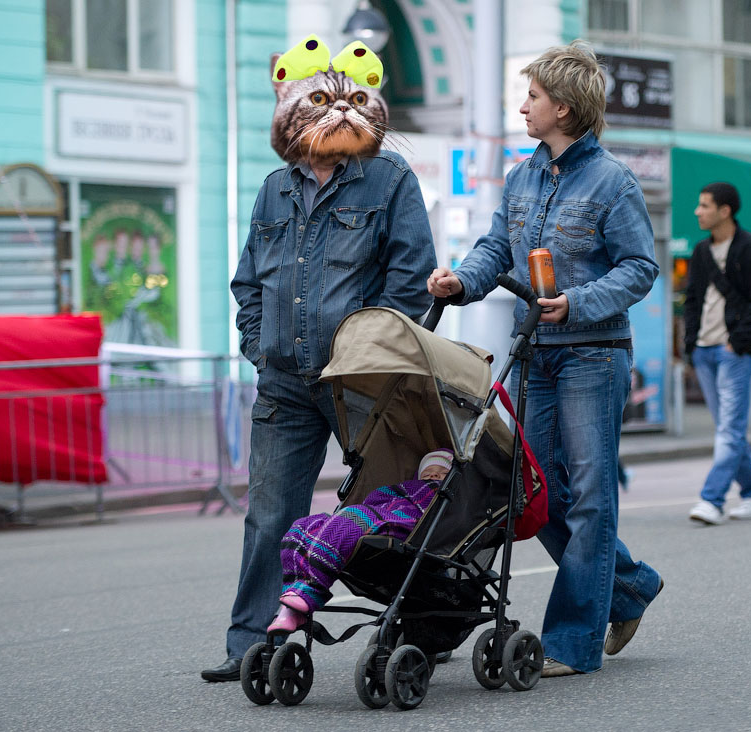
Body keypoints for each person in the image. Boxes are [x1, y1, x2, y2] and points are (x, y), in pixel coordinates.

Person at [201, 35, 436, 682]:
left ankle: (420, 627)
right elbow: (249, 282)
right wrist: (257, 347)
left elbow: (409, 278)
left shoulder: (390, 181)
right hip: (284, 382)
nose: (336, 113)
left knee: (392, 508)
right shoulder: (275, 189)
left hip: (361, 383)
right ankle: (253, 641)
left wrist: (375, 354)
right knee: (269, 516)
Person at [426, 41, 663, 677]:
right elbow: (495, 246)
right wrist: (462, 283)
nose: (522, 106)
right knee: (531, 490)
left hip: (592, 352)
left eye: (532, 96)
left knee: (588, 496)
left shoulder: (612, 181)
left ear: (564, 106)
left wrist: (578, 301)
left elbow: (641, 267)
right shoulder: (523, 175)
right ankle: (630, 586)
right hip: (538, 351)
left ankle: (571, 642)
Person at [269, 449, 454, 633]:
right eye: (427, 473)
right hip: (381, 512)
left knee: (352, 519)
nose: (434, 475)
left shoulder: (444, 495)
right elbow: (375, 500)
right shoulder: (404, 488)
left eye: (443, 472)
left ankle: (308, 592)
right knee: (304, 526)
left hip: (404, 523)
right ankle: (294, 597)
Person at [683, 182, 751, 525]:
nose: (698, 211)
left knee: (729, 430)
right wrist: (690, 344)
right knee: (728, 428)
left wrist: (738, 342)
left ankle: (712, 499)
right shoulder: (701, 251)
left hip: (733, 352)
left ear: (725, 211)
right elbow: (692, 300)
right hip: (705, 351)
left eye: (704, 205)